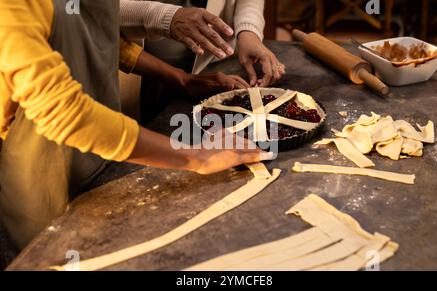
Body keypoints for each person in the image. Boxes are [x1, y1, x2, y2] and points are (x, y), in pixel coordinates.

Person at [0, 0, 270, 249]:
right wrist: (197, 156)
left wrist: (181, 79)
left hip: (105, 154)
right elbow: (62, 111)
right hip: (44, 173)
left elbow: (99, 37)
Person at [119, 0, 286, 122]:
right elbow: (99, 11)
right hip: (136, 75)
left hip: (208, 65)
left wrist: (249, 31)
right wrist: (167, 17)